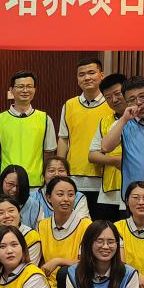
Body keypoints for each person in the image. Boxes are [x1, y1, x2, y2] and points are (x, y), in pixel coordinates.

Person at [58, 57, 111, 219]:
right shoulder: (69, 105)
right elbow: (63, 139)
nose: (87, 77)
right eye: (82, 74)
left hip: (104, 180)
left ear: (101, 75)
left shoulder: (111, 105)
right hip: (74, 178)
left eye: (91, 73)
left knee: (101, 225)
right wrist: (60, 172)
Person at [98, 76, 144, 201]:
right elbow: (105, 147)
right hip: (133, 195)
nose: (138, 102)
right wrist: (124, 119)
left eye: (143, 96)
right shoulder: (124, 123)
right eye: (131, 100)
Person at [0, 70, 57, 188]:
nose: (25, 90)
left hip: (36, 185)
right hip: (8, 186)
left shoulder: (45, 119)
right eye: (20, 86)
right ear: (11, 90)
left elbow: (48, 154)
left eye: (29, 86)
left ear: (34, 90)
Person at [37, 176, 92, 288]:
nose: (66, 199)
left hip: (77, 284)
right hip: (49, 285)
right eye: (60, 194)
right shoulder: (42, 225)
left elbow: (87, 262)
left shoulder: (86, 225)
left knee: (64, 272)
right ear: (49, 198)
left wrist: (58, 261)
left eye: (71, 194)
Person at [87, 73, 127, 221]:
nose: (114, 100)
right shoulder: (105, 121)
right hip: (108, 191)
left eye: (117, 94)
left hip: (134, 190)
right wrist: (114, 161)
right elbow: (92, 155)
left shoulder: (141, 118)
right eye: (108, 97)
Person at [27, 156, 90, 228]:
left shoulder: (79, 197)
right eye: (51, 171)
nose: (56, 174)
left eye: (61, 170)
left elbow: (82, 225)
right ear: (44, 175)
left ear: (68, 174)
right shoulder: (32, 198)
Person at [0, 196, 42, 263]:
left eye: (11, 211)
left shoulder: (31, 236)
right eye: (1, 213)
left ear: (19, 213)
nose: (7, 216)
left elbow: (29, 264)